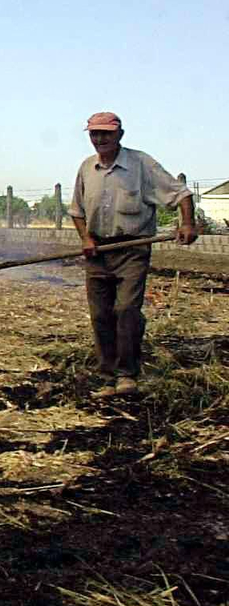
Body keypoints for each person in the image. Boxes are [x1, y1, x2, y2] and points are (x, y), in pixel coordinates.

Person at [67, 111, 196, 397]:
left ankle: (127, 374)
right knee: (100, 315)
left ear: (120, 135)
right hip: (98, 251)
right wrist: (86, 237)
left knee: (126, 310)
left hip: (133, 249)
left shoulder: (141, 164)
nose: (99, 139)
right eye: (94, 134)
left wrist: (187, 223)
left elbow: (182, 194)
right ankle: (107, 376)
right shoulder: (87, 168)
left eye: (106, 134)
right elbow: (76, 211)